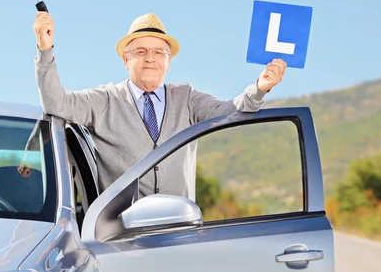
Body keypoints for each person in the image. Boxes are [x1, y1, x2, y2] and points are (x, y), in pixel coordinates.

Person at [33, 12, 286, 200]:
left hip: (178, 237)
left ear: (169, 61)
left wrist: (259, 87)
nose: (150, 58)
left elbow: (230, 111)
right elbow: (57, 103)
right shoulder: (105, 100)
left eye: (158, 52)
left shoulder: (187, 98)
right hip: (119, 242)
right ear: (125, 59)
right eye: (141, 51)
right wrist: (45, 50)